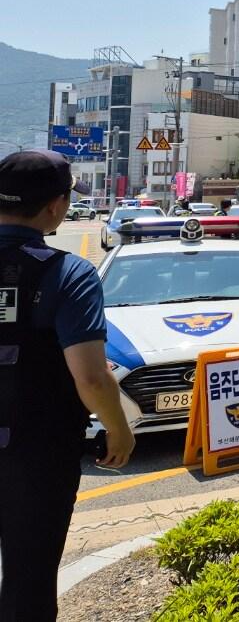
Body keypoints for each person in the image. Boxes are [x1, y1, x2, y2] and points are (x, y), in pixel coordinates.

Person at [0, 150, 135, 622]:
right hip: (35, 455)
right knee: (29, 577)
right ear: (56, 206)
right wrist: (119, 429)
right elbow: (92, 376)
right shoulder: (68, 273)